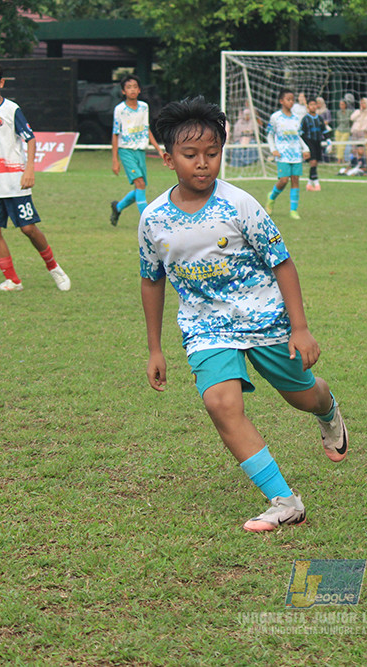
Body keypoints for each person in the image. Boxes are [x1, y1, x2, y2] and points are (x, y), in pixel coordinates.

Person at [139, 96, 349, 533]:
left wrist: (301, 327)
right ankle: (284, 501)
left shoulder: (241, 205)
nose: (202, 164)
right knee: (220, 402)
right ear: (167, 157)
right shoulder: (153, 218)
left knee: (301, 396)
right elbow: (151, 279)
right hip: (205, 328)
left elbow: (282, 263)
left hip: (265, 319)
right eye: (190, 155)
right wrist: (155, 347)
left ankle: (327, 410)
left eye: (212, 154)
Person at [0, 60, 71, 293]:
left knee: (27, 229)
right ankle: (13, 281)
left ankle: (54, 267)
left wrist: (29, 169)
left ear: (2, 83)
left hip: (15, 180)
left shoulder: (11, 109)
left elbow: (30, 138)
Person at [109, 74, 163, 226]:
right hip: (126, 150)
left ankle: (117, 207)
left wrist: (158, 149)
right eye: (128, 87)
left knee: (141, 187)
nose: (132, 90)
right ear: (123, 91)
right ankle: (147, 222)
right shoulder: (119, 110)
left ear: (139, 90)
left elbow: (147, 130)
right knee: (139, 183)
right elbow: (115, 134)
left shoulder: (144, 107)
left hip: (140, 151)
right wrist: (115, 160)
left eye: (134, 87)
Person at [265, 89, 310, 220]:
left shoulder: (296, 119)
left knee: (295, 180)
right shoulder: (275, 117)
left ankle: (293, 210)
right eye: (288, 99)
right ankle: (271, 197)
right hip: (282, 154)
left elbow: (298, 137)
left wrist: (305, 149)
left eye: (292, 99)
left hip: (296, 154)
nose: (291, 102)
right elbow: (270, 135)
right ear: (281, 101)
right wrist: (273, 149)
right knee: (284, 180)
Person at [300, 98, 328, 191]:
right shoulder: (305, 119)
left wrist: (328, 140)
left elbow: (324, 130)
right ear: (308, 107)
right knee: (313, 162)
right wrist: (303, 146)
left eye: (314, 104)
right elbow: (301, 133)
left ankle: (309, 184)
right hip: (309, 143)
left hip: (317, 142)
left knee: (315, 163)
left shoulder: (319, 118)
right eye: (311, 105)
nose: (313, 106)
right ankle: (316, 184)